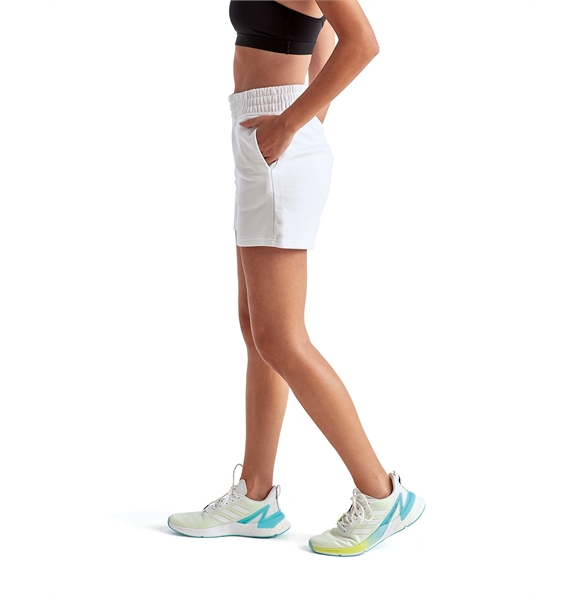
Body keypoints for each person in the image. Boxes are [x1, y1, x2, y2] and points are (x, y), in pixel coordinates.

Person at [168, 0, 425, 557]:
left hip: (277, 138)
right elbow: (323, 36)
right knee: (256, 330)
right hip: (260, 135)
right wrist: (292, 126)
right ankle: (255, 497)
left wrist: (291, 125)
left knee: (281, 338)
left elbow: (363, 42)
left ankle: (382, 494)